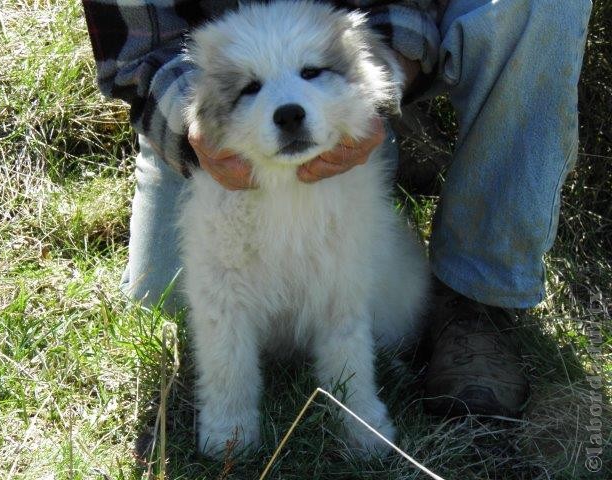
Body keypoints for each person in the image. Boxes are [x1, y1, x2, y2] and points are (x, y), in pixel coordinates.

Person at [81, 0, 592, 417]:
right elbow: (137, 50)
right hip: (212, 101)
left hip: (350, 76)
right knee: (169, 295)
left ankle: (478, 291)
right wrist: (194, 133)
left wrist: (377, 84)